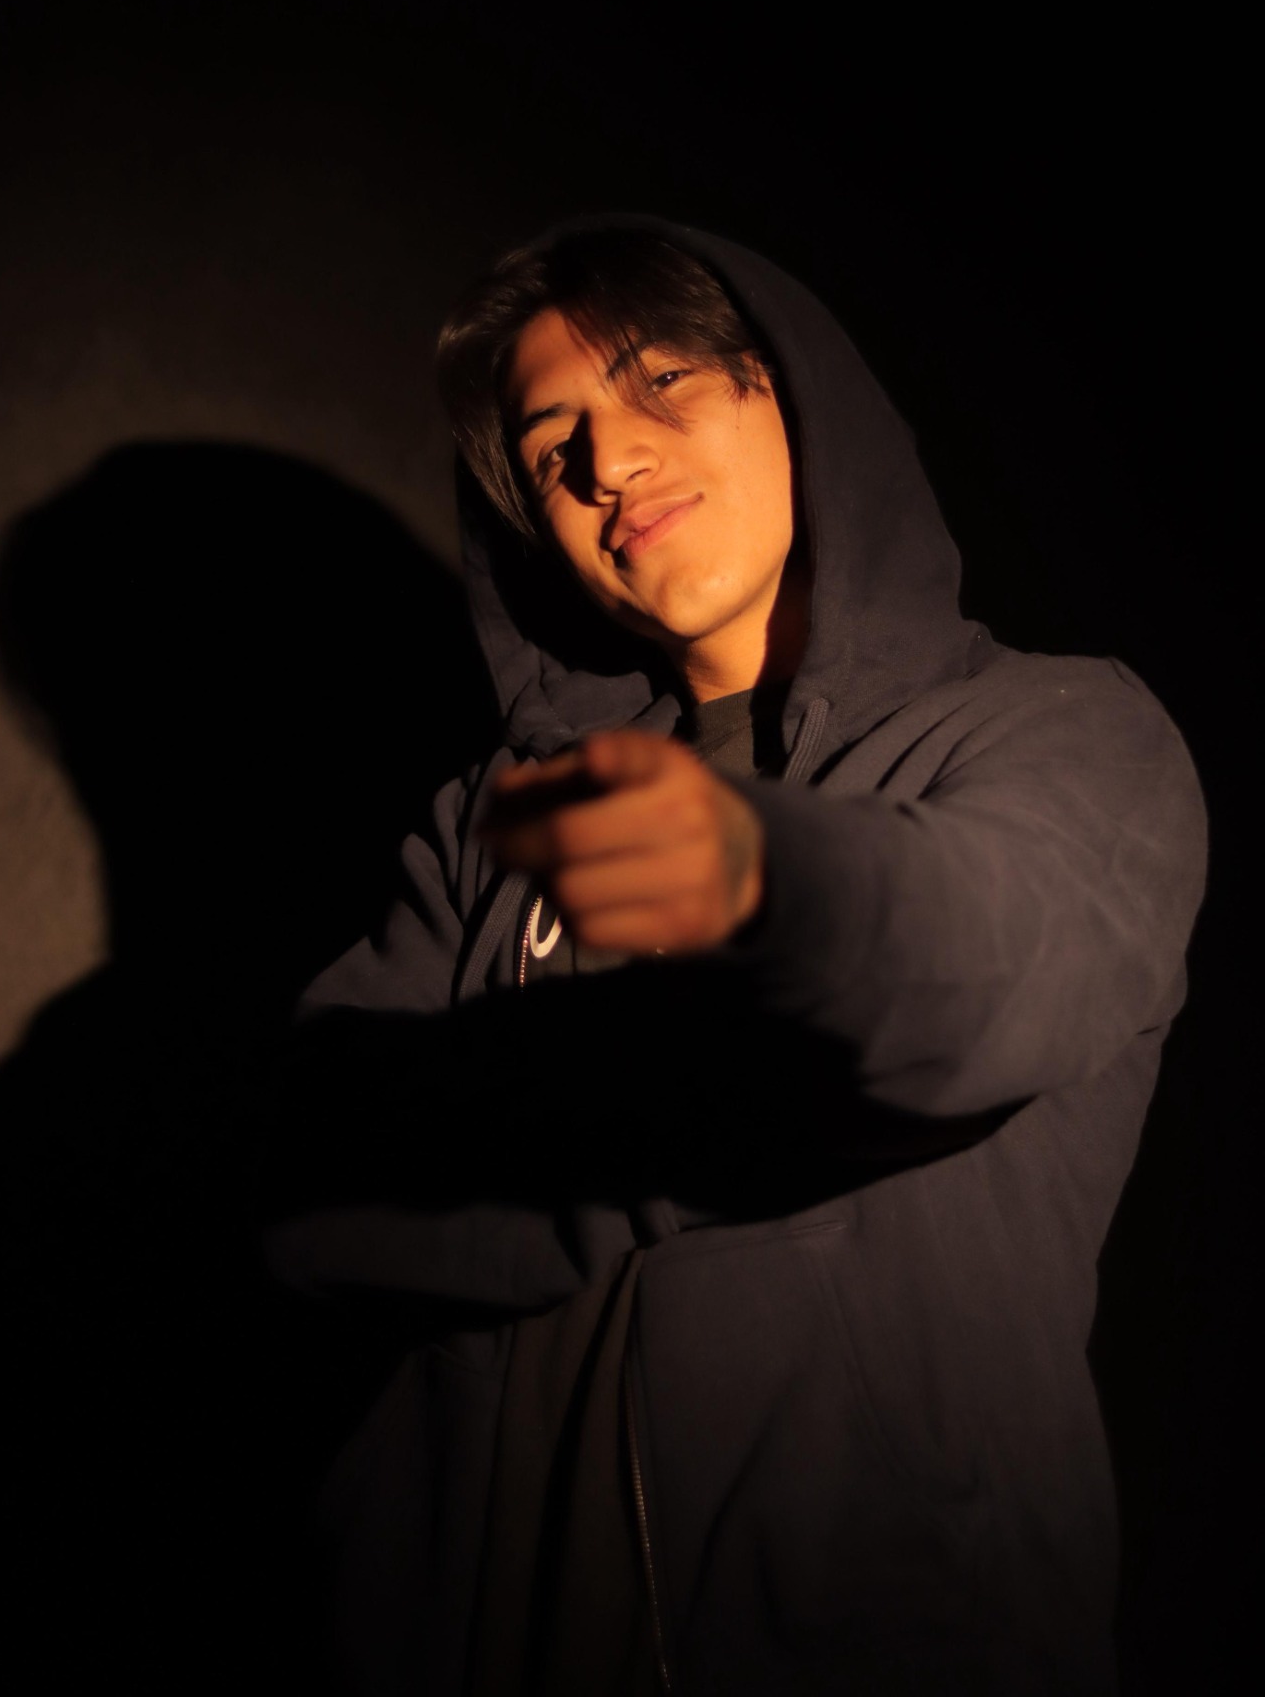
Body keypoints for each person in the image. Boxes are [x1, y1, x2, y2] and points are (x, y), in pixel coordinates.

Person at [264, 218, 1207, 1696]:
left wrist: (762, 886)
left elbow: (985, 973)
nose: (607, 460)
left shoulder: (1062, 733)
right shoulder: (498, 819)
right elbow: (305, 1186)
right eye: (552, 446)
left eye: (660, 381)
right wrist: (703, 1111)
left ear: (794, 391)